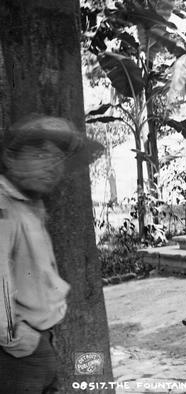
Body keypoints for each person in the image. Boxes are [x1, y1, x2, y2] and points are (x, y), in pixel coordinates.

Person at [0, 114, 103, 393]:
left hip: (39, 340)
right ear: (11, 158)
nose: (51, 166)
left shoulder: (29, 204)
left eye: (57, 158)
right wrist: (17, 339)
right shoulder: (4, 206)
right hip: (19, 352)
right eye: (39, 153)